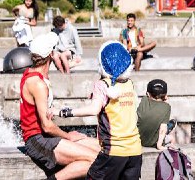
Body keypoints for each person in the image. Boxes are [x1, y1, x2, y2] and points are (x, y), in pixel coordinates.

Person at [20, 31, 99, 180]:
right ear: (51, 54)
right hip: (38, 140)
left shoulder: (32, 74)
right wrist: (69, 136)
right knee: (96, 160)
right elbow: (47, 126)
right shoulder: (37, 83)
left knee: (101, 148)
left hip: (44, 137)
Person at [59, 41, 143, 180]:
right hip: (135, 152)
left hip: (113, 152)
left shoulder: (102, 85)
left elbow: (94, 109)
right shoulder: (129, 83)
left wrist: (64, 112)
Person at [136, 79, 173, 150]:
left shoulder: (143, 100)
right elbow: (163, 128)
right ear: (165, 95)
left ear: (147, 93)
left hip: (136, 141)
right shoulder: (166, 107)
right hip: (152, 143)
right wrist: (159, 145)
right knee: (171, 137)